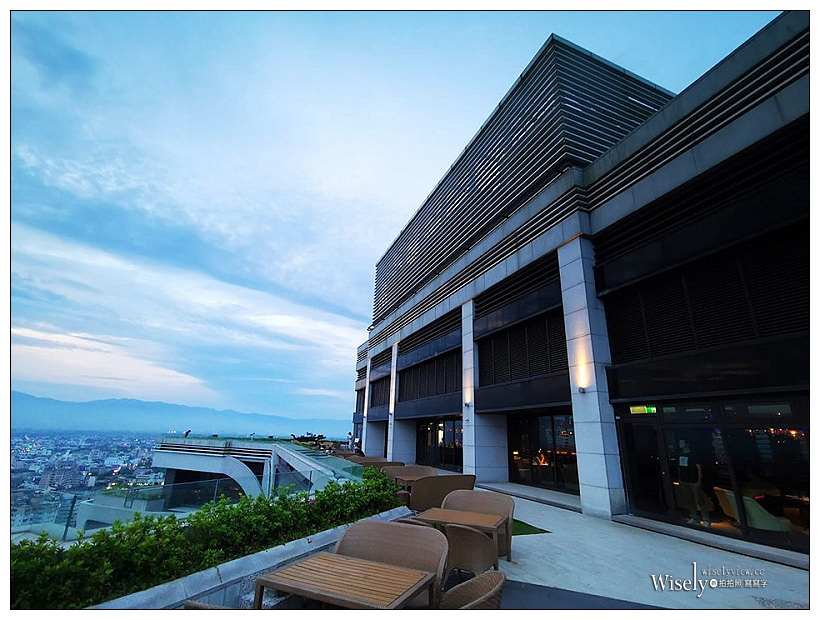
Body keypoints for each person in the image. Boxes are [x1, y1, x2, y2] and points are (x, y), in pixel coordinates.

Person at [675, 439, 711, 526]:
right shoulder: (680, 454)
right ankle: (695, 517)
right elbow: (679, 466)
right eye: (679, 442)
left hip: (694, 480)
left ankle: (706, 519)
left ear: (687, 444)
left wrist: (699, 480)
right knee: (689, 500)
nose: (680, 444)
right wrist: (679, 478)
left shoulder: (694, 455)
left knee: (700, 500)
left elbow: (699, 468)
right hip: (684, 479)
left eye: (682, 442)